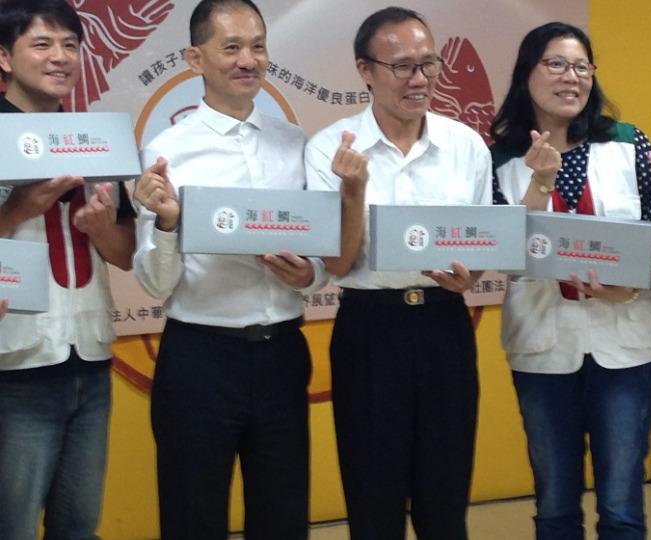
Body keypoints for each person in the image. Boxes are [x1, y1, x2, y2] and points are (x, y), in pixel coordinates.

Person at [132, 0, 325, 538]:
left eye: (258, 46)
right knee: (192, 519)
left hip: (282, 353)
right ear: (195, 59)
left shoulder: (294, 142)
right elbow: (154, 282)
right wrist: (168, 224)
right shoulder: (166, 152)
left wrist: (309, 274)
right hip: (200, 360)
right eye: (232, 47)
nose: (248, 60)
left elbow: (319, 250)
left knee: (283, 517)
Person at [304, 6, 491, 540]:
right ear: (365, 70)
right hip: (370, 329)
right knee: (373, 499)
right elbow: (336, 264)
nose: (419, 79)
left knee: (446, 498)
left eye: (429, 64)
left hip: (445, 325)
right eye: (403, 66)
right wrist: (353, 192)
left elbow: (479, 243)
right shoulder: (331, 149)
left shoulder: (465, 145)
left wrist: (469, 277)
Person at [489, 21, 651, 540]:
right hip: (543, 345)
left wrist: (631, 285)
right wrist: (540, 181)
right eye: (556, 64)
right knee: (555, 506)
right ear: (527, 73)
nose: (571, 77)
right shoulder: (498, 156)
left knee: (622, 507)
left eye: (581, 67)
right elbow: (507, 253)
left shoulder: (627, 143)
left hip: (627, 347)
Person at [0, 0, 136, 538]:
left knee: (79, 526)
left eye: (70, 45)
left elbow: (125, 253)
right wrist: (16, 210)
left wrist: (101, 230)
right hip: (14, 367)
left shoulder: (97, 140)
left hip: (89, 359)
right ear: (4, 57)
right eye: (42, 44)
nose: (60, 57)